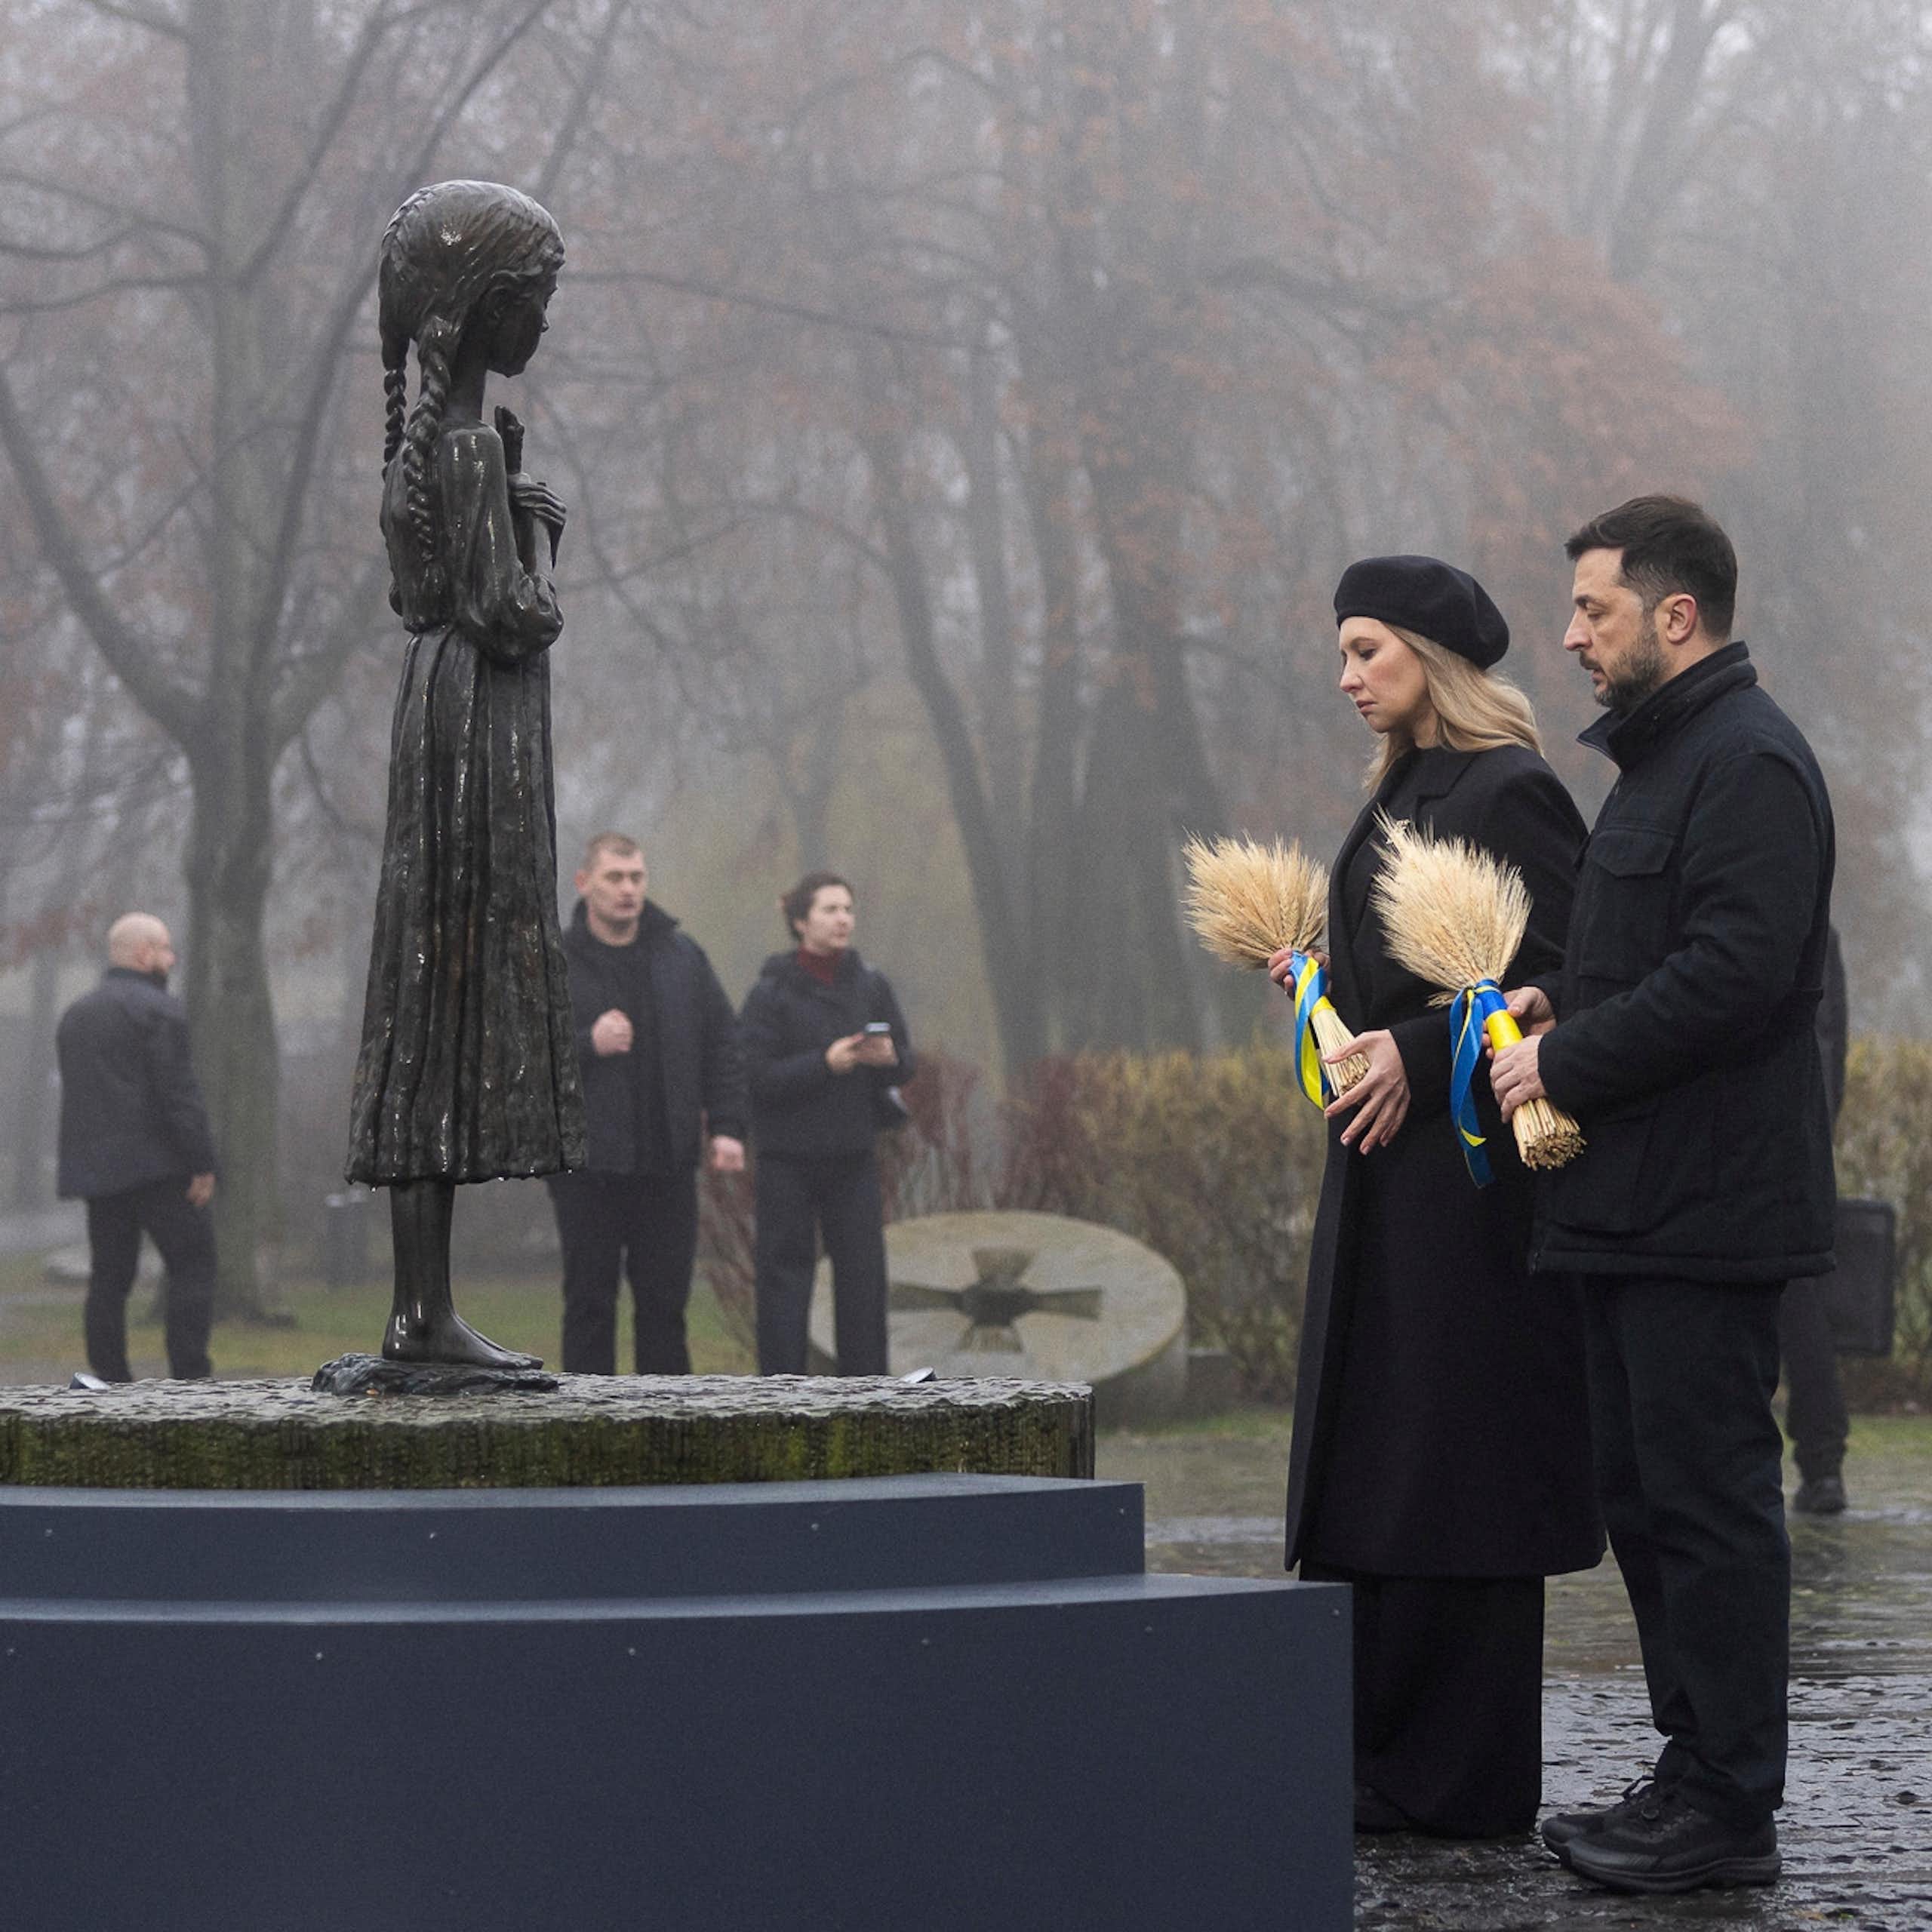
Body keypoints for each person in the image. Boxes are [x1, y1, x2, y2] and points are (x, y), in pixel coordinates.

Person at [1491, 495, 1835, 1896]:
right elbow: (1656, 961)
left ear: (1674, 616)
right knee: (1650, 1504)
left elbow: (1741, 973)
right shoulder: (1666, 764)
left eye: (1594, 611)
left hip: (1705, 1213)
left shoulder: (1749, 763)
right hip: (1636, 1213)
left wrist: (1566, 1055)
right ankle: (1691, 1771)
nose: (1571, 637)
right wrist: (1555, 995)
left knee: (1709, 1507)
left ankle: (1730, 1807)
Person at [1272, 556, 1601, 1839]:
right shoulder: (1404, 783)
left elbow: (1569, 972)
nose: (1348, 676)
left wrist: (1410, 1054)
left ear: (1430, 655)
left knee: (1452, 1471)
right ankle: (1384, 1758)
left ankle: (1455, 1777)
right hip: (1390, 1188)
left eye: (1368, 651)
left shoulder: (1505, 787)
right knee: (1387, 1466)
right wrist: (1321, 997)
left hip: (1467, 1203)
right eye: (1345, 654)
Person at [346, 180, 585, 1371]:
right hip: (478, 733)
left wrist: (511, 491)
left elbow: (419, 597)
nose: (540, 324)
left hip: (432, 717)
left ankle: (417, 1309)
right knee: (450, 991)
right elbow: (515, 613)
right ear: (481, 306)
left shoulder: (426, 453)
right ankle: (424, 1319)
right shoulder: (470, 453)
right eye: (531, 301)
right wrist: (538, 527)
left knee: (424, 990)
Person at [549, 833, 747, 1374]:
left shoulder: (682, 957)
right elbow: (520, 1054)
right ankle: (587, 1430)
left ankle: (670, 1432)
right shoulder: (554, 961)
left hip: (667, 1162)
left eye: (637, 877)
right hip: (587, 1167)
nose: (628, 890)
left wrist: (728, 1127)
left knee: (665, 1308)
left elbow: (722, 1043)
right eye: (615, 878)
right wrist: (589, 1041)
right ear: (585, 884)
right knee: (590, 1303)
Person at [740, 872, 914, 1375]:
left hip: (852, 1154)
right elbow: (753, 1074)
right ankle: (781, 1397)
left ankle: (867, 1399)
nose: (844, 920)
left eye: (848, 910)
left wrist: (887, 1057)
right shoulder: (770, 992)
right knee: (784, 1283)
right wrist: (824, 1063)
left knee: (863, 1281)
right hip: (787, 1158)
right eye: (830, 910)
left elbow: (906, 1063)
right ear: (800, 921)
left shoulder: (871, 984)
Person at [55, 912, 217, 1381]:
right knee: (193, 1264)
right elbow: (179, 1096)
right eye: (166, 948)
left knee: (109, 1278)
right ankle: (191, 1377)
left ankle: (109, 1379)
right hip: (161, 1169)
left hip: (100, 1175)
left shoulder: (76, 1016)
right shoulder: (159, 1011)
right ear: (145, 953)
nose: (171, 958)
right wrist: (202, 1164)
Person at [1780, 925, 1850, 1513]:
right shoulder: (1818, 932)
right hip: (1801, 1137)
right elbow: (1837, 1042)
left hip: (1763, 1138)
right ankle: (1823, 1462)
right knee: (1803, 1306)